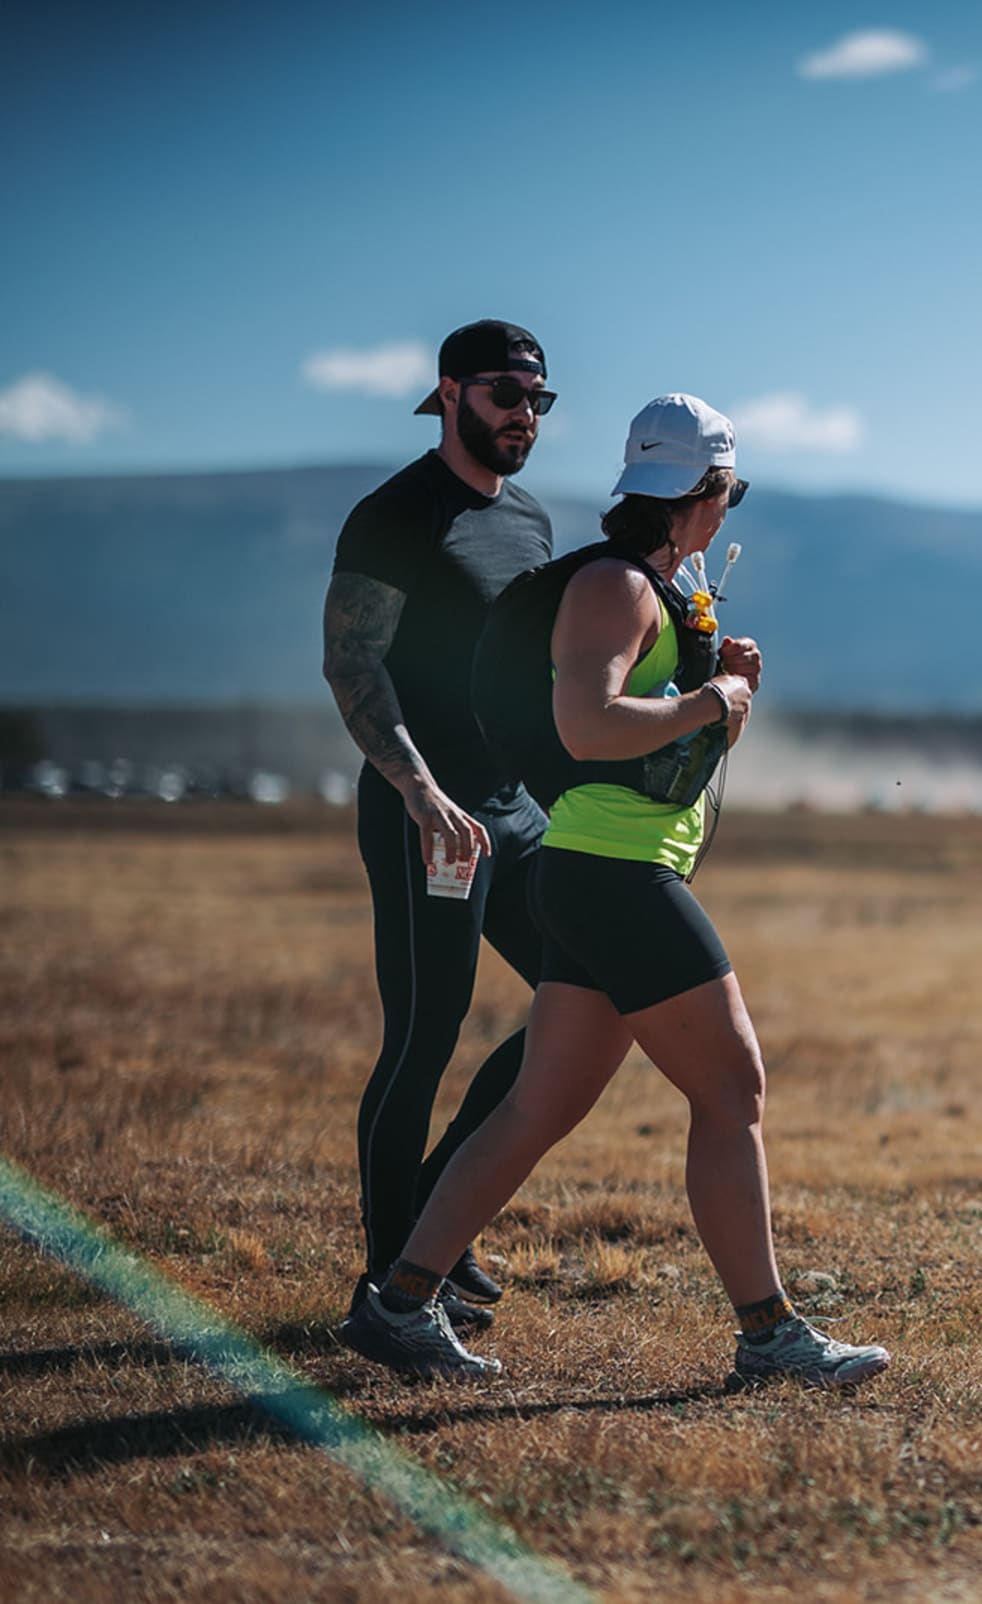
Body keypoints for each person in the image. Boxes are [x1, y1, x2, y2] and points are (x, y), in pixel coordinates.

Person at [336, 395, 892, 1391]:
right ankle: (770, 1335)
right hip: (609, 876)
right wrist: (706, 698)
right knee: (733, 1089)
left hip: (605, 871)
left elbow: (663, 752)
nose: (731, 510)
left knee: (535, 1106)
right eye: (732, 491)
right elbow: (588, 726)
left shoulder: (654, 591)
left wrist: (721, 690)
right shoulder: (615, 587)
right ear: (704, 491)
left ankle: (398, 1304)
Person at [323, 320, 557, 1340]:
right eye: (507, 393)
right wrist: (418, 790)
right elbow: (352, 664)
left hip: (518, 808)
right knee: (423, 1037)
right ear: (451, 391)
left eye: (540, 400)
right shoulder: (395, 511)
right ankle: (390, 1286)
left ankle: (433, 1214)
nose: (525, 415)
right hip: (428, 812)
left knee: (584, 994)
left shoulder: (536, 522)